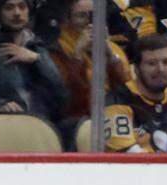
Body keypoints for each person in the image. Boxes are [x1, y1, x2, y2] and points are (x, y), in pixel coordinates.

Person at [105, 33, 167, 152]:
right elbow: (127, 157)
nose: (160, 69)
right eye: (152, 63)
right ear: (136, 69)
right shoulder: (117, 101)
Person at [49, 0, 131, 137]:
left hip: (115, 116)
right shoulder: (57, 50)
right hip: (78, 119)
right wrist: (77, 55)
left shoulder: (114, 48)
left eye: (94, 15)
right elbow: (67, 97)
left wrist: (110, 55)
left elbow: (126, 90)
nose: (88, 21)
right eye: (81, 15)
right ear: (67, 20)